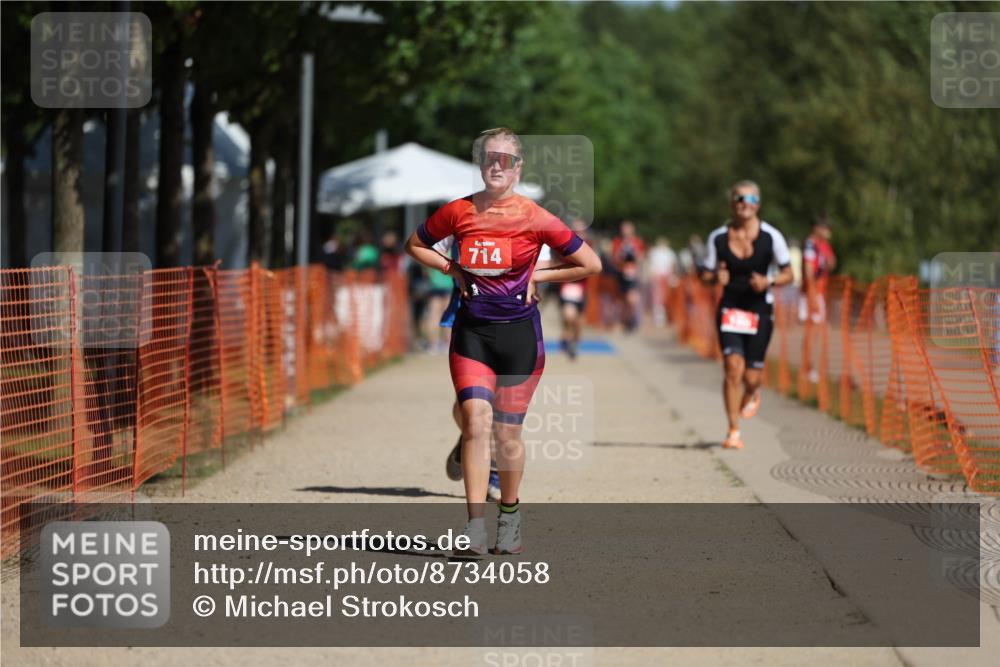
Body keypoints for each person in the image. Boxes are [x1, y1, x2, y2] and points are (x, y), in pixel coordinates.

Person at [405, 127, 601, 555]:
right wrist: (450, 269)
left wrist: (540, 274)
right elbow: (415, 243)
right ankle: (474, 528)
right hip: (471, 333)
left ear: (518, 167)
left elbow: (590, 263)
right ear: (480, 164)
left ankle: (509, 518)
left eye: (506, 160)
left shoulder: (534, 216)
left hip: (519, 336)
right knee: (475, 422)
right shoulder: (457, 212)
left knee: (507, 437)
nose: (497, 165)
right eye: (490, 158)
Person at [701, 180, 793, 450]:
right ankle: (733, 430)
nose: (745, 204)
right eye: (740, 198)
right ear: (732, 202)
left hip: (759, 311)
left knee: (751, 376)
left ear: (758, 204)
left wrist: (770, 281)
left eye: (751, 199)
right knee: (732, 368)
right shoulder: (717, 238)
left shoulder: (771, 237)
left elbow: (790, 273)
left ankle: (752, 391)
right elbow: (704, 274)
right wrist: (715, 277)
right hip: (730, 309)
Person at [436, 235, 502, 502]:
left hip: (510, 320)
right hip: (466, 318)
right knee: (469, 403)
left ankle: (494, 473)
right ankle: (469, 436)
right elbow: (423, 249)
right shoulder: (458, 217)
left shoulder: (523, 215)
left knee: (499, 404)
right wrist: (456, 271)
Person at [549, 219, 591, 360]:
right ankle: (567, 337)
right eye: (575, 232)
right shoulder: (563, 247)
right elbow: (553, 260)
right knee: (568, 316)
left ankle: (573, 342)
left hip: (582, 290)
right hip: (566, 288)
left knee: (578, 323)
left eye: (581, 232)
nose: (578, 234)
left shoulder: (589, 246)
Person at [611, 221, 646, 332]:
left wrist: (633, 256)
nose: (625, 231)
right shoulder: (617, 242)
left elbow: (641, 258)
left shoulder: (637, 242)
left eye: (627, 229)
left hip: (632, 275)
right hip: (620, 274)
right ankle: (622, 320)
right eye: (623, 229)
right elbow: (614, 258)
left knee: (632, 299)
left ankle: (629, 320)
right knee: (621, 301)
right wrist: (621, 256)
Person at [647, 236, 678, 327]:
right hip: (657, 278)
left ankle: (668, 318)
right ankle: (658, 319)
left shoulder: (669, 253)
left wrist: (671, 276)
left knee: (667, 298)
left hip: (666, 278)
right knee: (657, 299)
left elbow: (672, 265)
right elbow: (651, 265)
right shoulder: (655, 252)